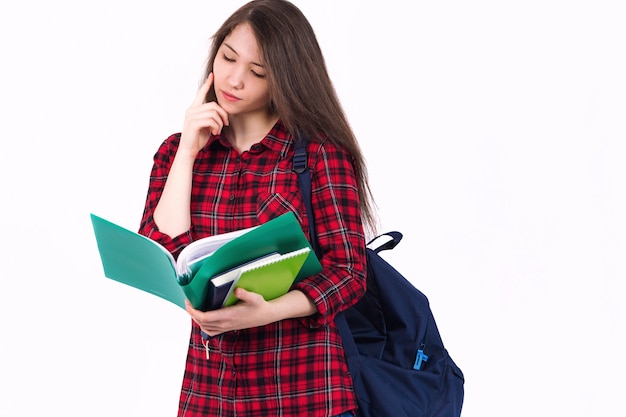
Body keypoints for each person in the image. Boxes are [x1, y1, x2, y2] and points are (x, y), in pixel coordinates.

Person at [138, 1, 377, 416]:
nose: (234, 78)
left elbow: (350, 273)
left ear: (285, 79)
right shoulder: (178, 152)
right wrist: (188, 152)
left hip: (304, 393)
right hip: (209, 392)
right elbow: (164, 249)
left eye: (258, 72)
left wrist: (266, 313)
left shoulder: (318, 154)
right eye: (228, 57)